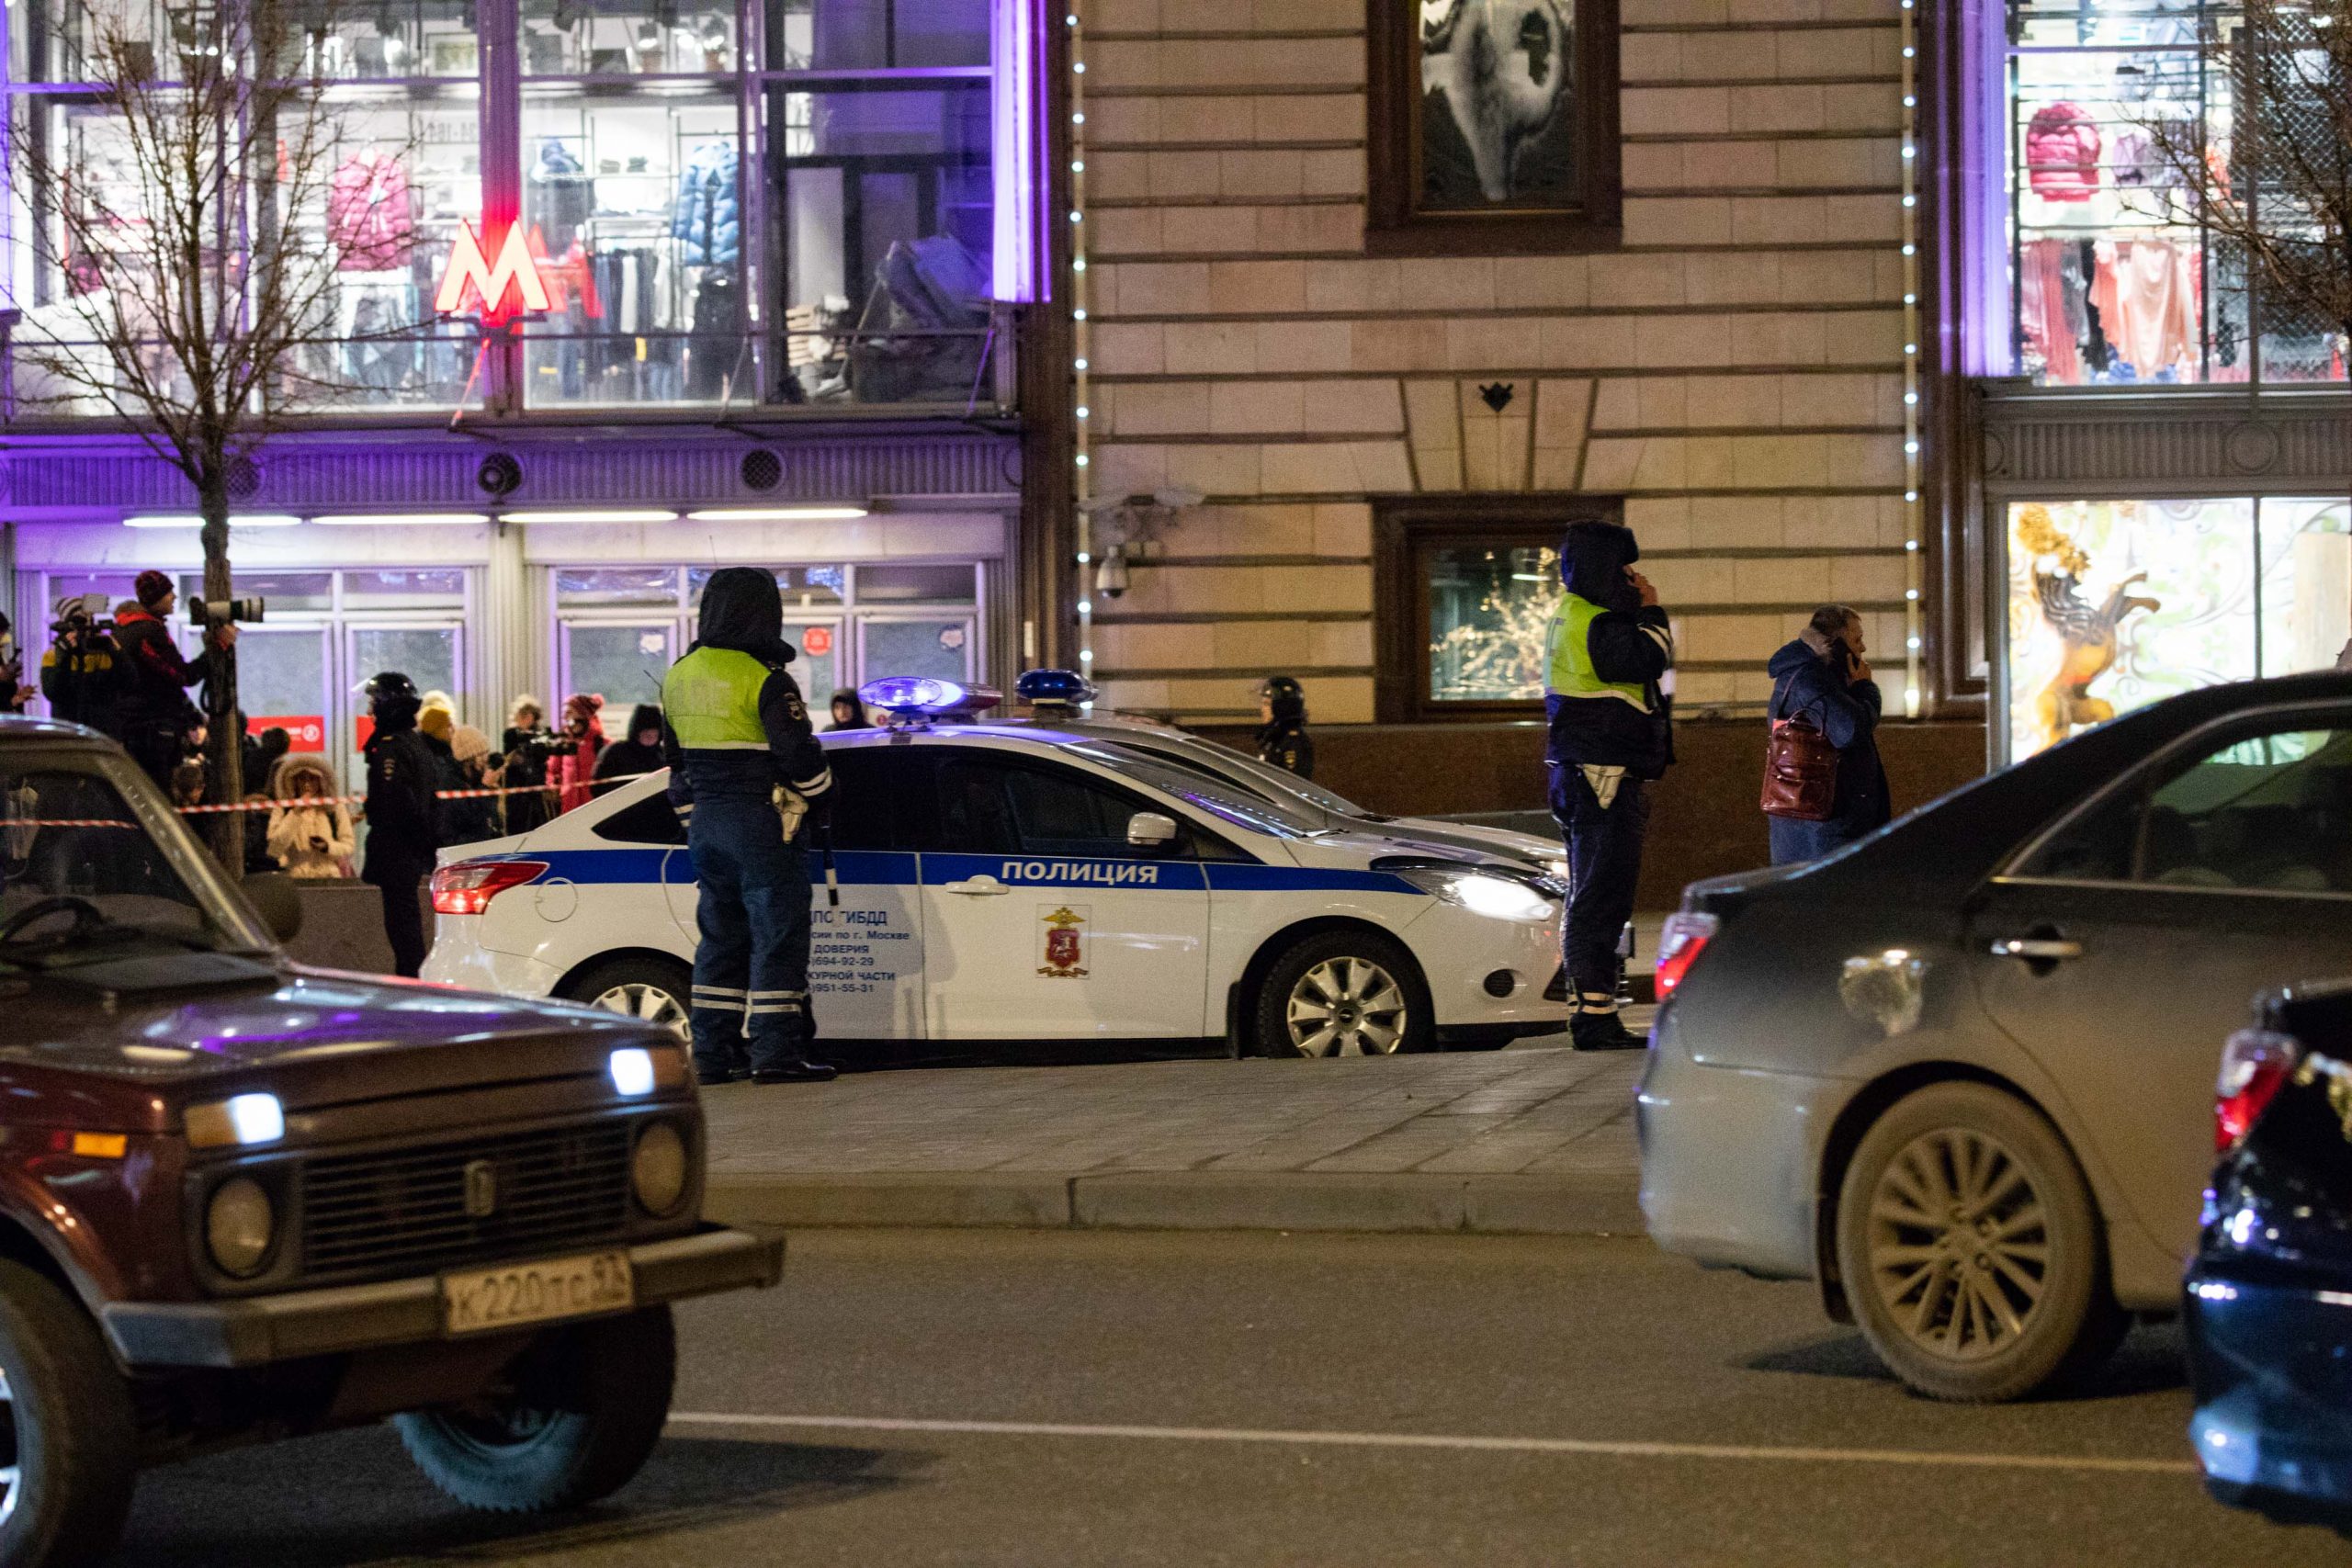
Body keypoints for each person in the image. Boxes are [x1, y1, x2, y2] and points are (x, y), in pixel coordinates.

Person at [662, 567, 837, 1085]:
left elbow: (675, 764)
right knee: (777, 938)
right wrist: (824, 799)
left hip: (706, 825)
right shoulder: (765, 678)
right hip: (761, 824)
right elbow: (800, 757)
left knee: (720, 941)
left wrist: (695, 821)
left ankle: (712, 1056)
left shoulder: (679, 674)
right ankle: (776, 1054)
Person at [1544, 520, 1675, 1052]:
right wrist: (1652, 610)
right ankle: (1594, 1019)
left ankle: (1592, 1009)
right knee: (1601, 897)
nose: (1633, 579)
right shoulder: (1598, 622)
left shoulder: (1577, 613)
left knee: (1593, 895)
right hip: (1601, 776)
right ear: (1603, 568)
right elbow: (1651, 658)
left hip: (1586, 772)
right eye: (1624, 570)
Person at [1765, 605, 1892, 866]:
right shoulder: (1810, 677)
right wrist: (1866, 688)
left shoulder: (1824, 677)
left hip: (1822, 822)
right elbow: (1849, 730)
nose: (1863, 648)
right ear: (1836, 644)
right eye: (1856, 640)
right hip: (1819, 830)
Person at [113, 570, 235, 790]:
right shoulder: (148, 631)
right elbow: (182, 676)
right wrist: (218, 647)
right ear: (156, 597)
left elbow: (165, 682)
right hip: (152, 732)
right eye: (169, 592)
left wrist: (190, 716)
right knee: (159, 793)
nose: (174, 597)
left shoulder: (124, 630)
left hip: (135, 728)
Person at [359, 671, 442, 977]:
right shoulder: (414, 743)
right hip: (409, 850)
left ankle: (412, 982)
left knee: (402, 926)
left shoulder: (392, 747)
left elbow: (396, 802)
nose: (370, 710)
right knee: (405, 923)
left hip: (397, 850)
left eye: (374, 702)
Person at [266, 754, 356, 878]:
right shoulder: (284, 808)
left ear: (321, 781)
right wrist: (296, 812)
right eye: (302, 779)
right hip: (295, 878)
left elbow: (349, 846)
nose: (307, 784)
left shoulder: (334, 808)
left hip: (329, 877)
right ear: (294, 781)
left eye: (312, 779)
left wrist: (327, 846)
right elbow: (274, 849)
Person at [41, 595, 119, 734]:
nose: (80, 631)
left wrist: (117, 651)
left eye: (84, 623)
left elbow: (127, 682)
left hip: (100, 732)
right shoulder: (53, 655)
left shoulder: (100, 653)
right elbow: (52, 692)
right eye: (75, 624)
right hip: (67, 732)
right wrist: (64, 657)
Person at [501, 696, 555, 834]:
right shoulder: (511, 734)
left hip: (536, 791)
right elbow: (510, 758)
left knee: (538, 827)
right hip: (516, 791)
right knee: (517, 828)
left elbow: (543, 760)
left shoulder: (541, 736)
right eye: (522, 715)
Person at [443, 723, 501, 846]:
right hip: (461, 848)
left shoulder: (474, 779)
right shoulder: (450, 782)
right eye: (481, 754)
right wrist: (485, 787)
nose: (486, 759)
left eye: (486, 753)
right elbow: (468, 817)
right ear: (468, 758)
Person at [548, 693, 605, 813]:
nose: (564, 717)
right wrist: (553, 786)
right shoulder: (563, 743)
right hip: (568, 807)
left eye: (569, 712)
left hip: (595, 808)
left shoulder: (602, 743)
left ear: (583, 714)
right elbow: (552, 770)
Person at [593, 703, 666, 795]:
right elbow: (599, 785)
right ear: (636, 732)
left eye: (655, 733)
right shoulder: (615, 753)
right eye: (646, 732)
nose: (650, 737)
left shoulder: (664, 755)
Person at [1254, 675, 1315, 778]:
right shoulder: (1275, 738)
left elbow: (1292, 781)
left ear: (1281, 708)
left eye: (1267, 704)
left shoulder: (1293, 742)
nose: (1262, 710)